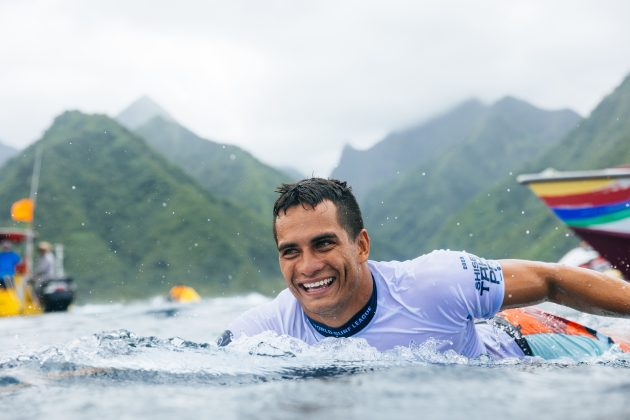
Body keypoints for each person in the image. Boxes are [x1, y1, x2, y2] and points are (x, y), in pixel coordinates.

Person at [218, 178, 630, 360]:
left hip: (526, 341)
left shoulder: (435, 282)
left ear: (361, 245)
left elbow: (551, 279)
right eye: (291, 251)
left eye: (324, 243)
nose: (308, 266)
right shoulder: (261, 332)